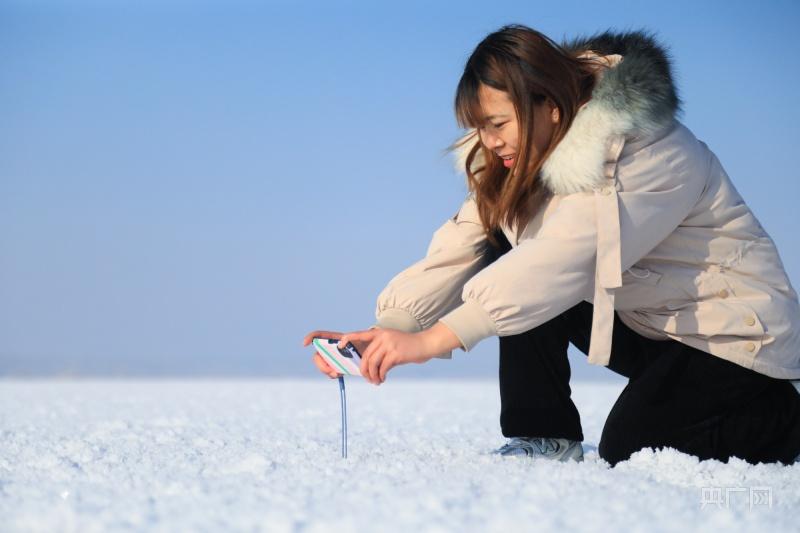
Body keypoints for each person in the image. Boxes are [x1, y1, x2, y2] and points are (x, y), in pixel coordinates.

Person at [302, 25, 800, 466]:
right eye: (478, 127)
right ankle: (544, 433)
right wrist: (391, 329)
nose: (489, 141)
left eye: (497, 124)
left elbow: (565, 258)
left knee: (633, 446)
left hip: (737, 338)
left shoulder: (649, 148)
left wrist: (433, 341)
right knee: (507, 248)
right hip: (656, 329)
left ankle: (787, 419)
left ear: (550, 107)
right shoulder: (522, 162)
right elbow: (466, 242)